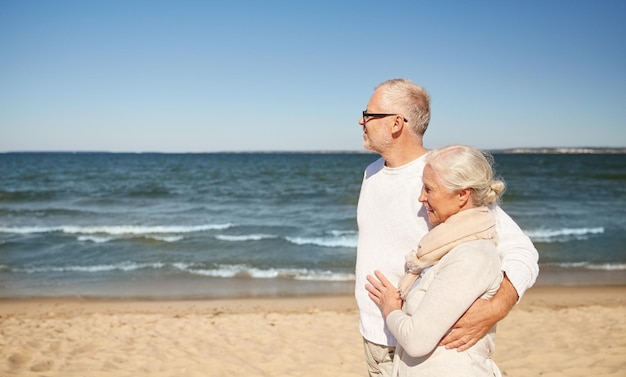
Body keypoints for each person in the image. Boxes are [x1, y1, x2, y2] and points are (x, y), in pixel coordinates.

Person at [354, 78, 539, 377]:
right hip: (373, 338)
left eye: (369, 114)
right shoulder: (372, 172)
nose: (361, 121)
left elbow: (522, 252)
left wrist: (495, 308)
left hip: (417, 349)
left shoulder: (440, 176)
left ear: (396, 124)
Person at [366, 144, 506, 376]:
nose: (421, 197)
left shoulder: (472, 255)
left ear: (462, 194)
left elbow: (416, 340)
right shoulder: (444, 244)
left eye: (429, 189)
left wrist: (390, 307)